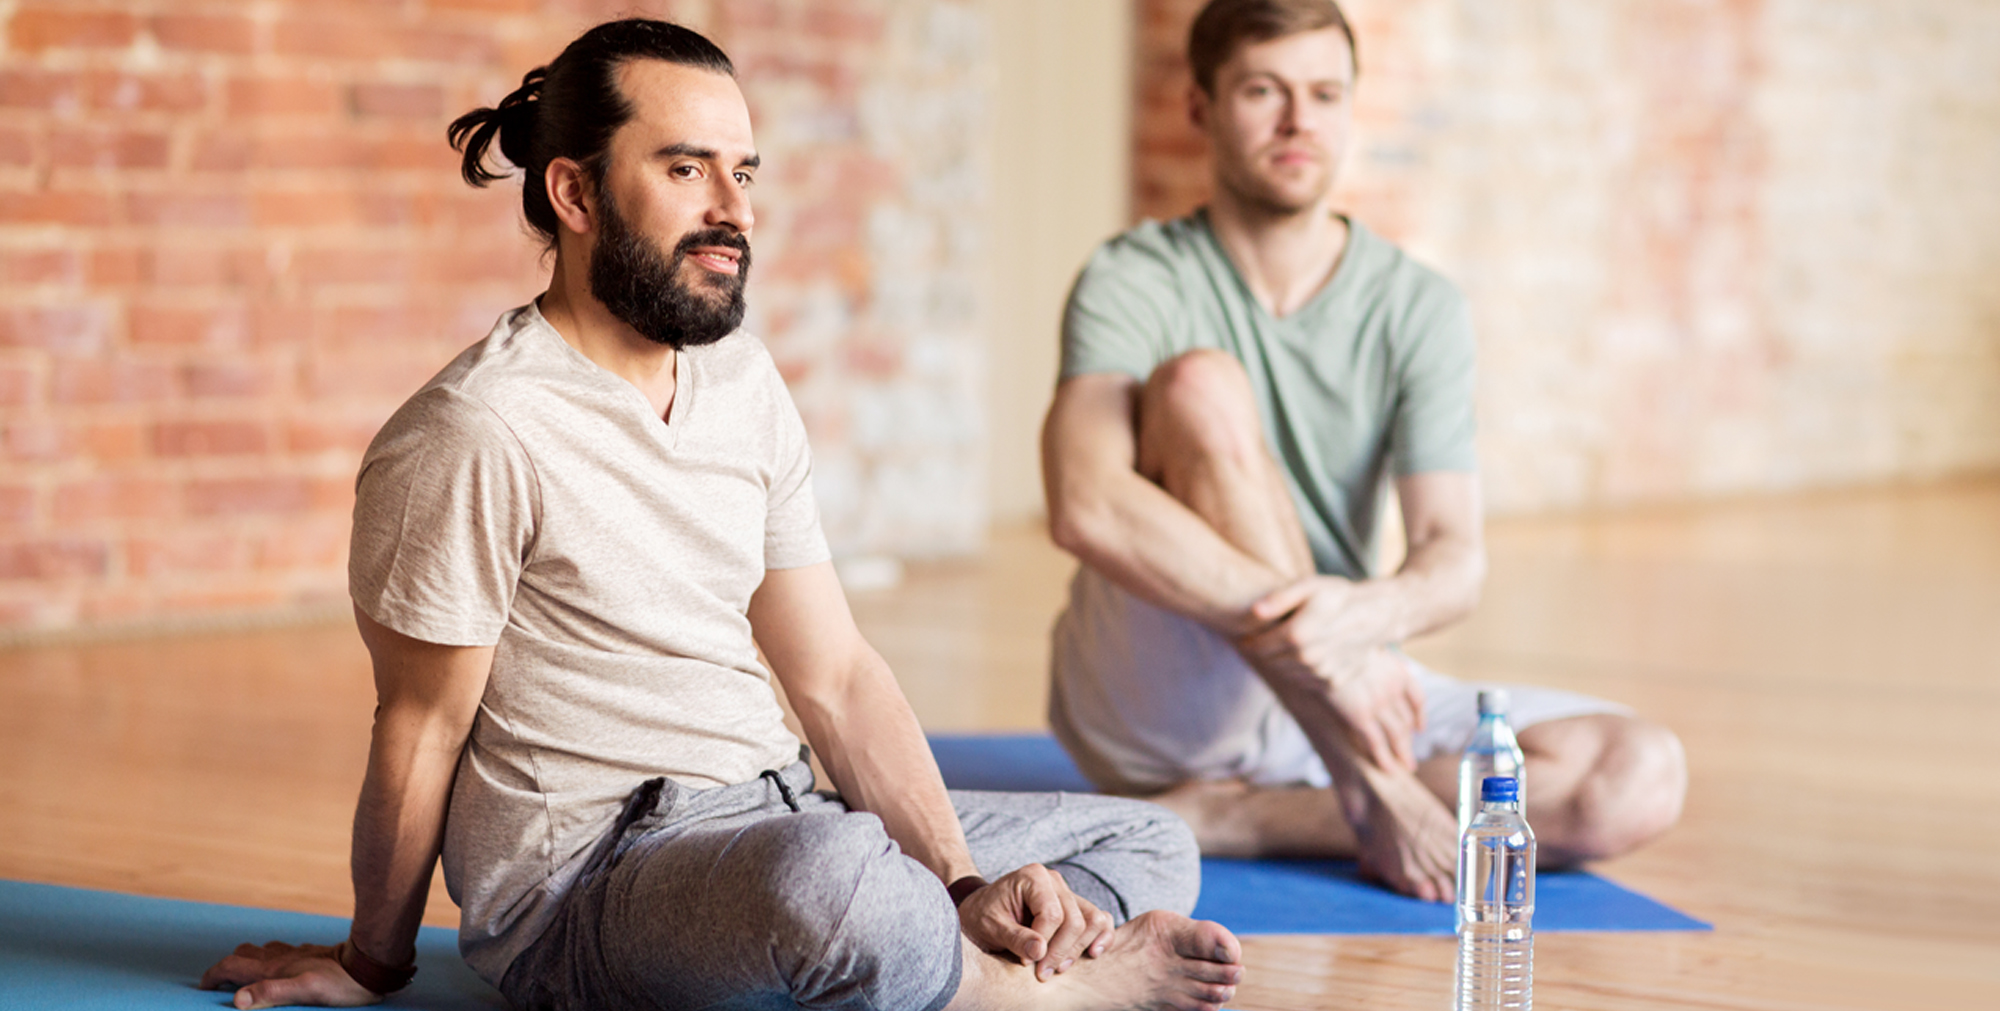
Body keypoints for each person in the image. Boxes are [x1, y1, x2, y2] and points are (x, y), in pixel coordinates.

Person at [197, 19, 1243, 1011]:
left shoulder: (739, 382)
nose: (733, 209)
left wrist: (967, 888)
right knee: (832, 884)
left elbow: (831, 675)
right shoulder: (475, 430)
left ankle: (962, 957)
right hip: (595, 886)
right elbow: (420, 728)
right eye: (685, 168)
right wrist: (373, 963)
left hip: (776, 808)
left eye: (742, 173)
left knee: (1145, 846)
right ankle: (1046, 992)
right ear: (574, 191)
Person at [1040, 0, 1688, 903]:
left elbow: (1452, 560)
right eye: (1265, 90)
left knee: (1636, 774)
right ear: (1200, 106)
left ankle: (1233, 817)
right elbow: (1085, 502)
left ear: (1350, 108)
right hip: (1170, 682)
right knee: (1199, 386)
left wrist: (1362, 619)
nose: (1300, 121)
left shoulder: (1417, 304)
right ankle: (1368, 786)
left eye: (1325, 93)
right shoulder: (1135, 275)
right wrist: (1346, 680)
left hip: (1339, 674)